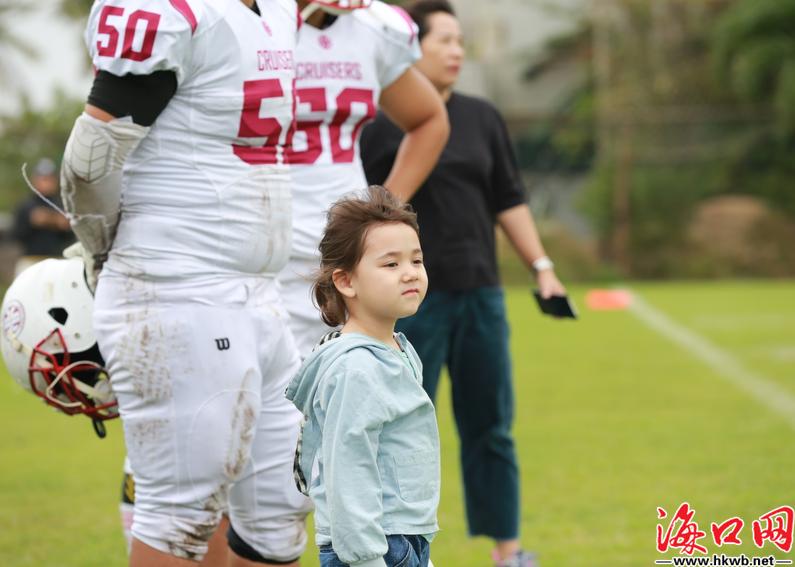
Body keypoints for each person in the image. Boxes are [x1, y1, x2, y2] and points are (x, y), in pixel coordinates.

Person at [60, 0, 310, 565]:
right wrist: (103, 252)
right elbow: (90, 159)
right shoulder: (173, 8)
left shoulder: (271, 9)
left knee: (280, 510)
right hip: (177, 285)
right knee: (181, 517)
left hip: (258, 291)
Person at [361, 2, 567, 566]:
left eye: (460, 41)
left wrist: (542, 268)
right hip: (408, 305)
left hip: (480, 295)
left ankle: (509, 552)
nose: (456, 51)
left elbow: (509, 199)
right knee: (399, 432)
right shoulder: (375, 122)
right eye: (443, 40)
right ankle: (395, 552)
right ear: (410, 47)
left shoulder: (482, 117)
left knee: (492, 428)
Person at [278, 0, 448, 356]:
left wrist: (380, 213)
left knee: (345, 384)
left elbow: (430, 119)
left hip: (345, 247)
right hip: (261, 243)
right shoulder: (249, 21)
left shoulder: (373, 28)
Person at [286, 185, 440, 567]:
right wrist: (370, 559)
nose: (410, 274)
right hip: (373, 548)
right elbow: (348, 473)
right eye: (391, 264)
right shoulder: (357, 369)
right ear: (346, 281)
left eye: (416, 261)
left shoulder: (396, 350)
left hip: (402, 538)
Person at [11, 157, 74, 276]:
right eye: (43, 178)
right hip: (31, 260)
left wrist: (61, 224)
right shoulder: (25, 205)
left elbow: (70, 236)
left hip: (56, 261)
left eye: (50, 179)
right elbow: (16, 235)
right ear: (34, 179)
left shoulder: (62, 205)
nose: (47, 182)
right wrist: (31, 222)